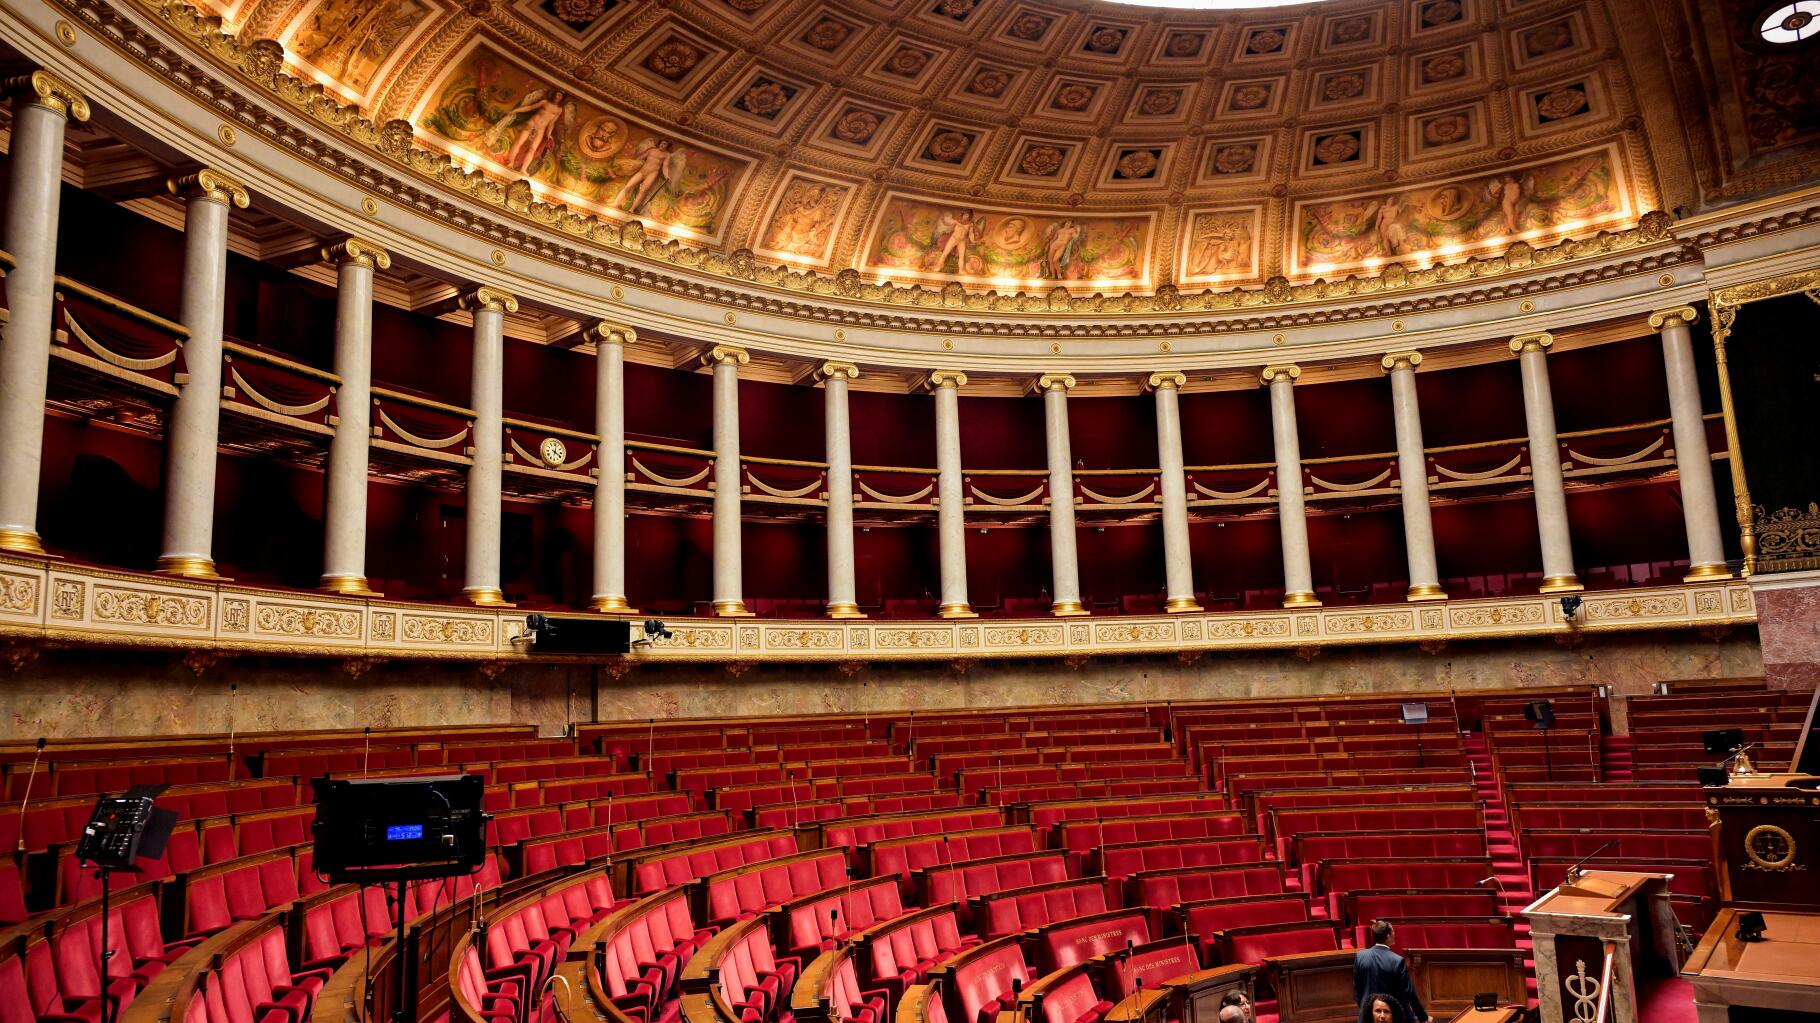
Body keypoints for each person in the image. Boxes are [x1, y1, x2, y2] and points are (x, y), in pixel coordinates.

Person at [1353, 922, 1429, 1023]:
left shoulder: (1360, 957)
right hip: (1391, 1016)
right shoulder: (1397, 961)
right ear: (1388, 935)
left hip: (1367, 1016)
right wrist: (1423, 1017)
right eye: (1393, 931)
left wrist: (1366, 1009)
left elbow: (1357, 990)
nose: (1394, 933)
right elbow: (1409, 992)